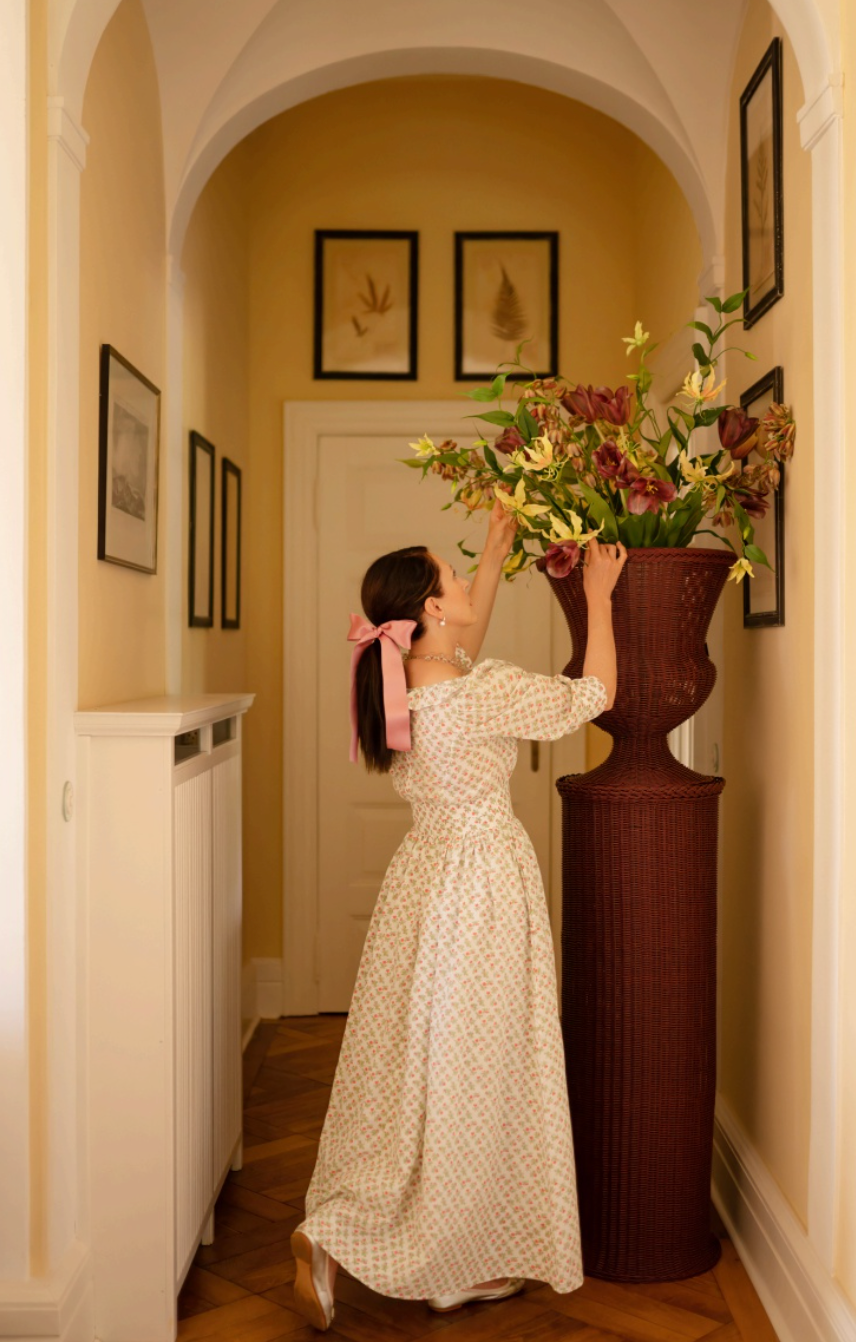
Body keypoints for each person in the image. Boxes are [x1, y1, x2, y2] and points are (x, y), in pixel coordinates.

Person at [290, 499, 627, 1331]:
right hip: (481, 895)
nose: (465, 584)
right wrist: (601, 593)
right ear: (431, 609)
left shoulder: (412, 689)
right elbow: (597, 693)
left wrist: (494, 548)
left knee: (420, 1070)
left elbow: (461, 646)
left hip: (422, 888)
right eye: (453, 576)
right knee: (479, 1070)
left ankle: (390, 1243)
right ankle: (437, 1250)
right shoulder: (482, 694)